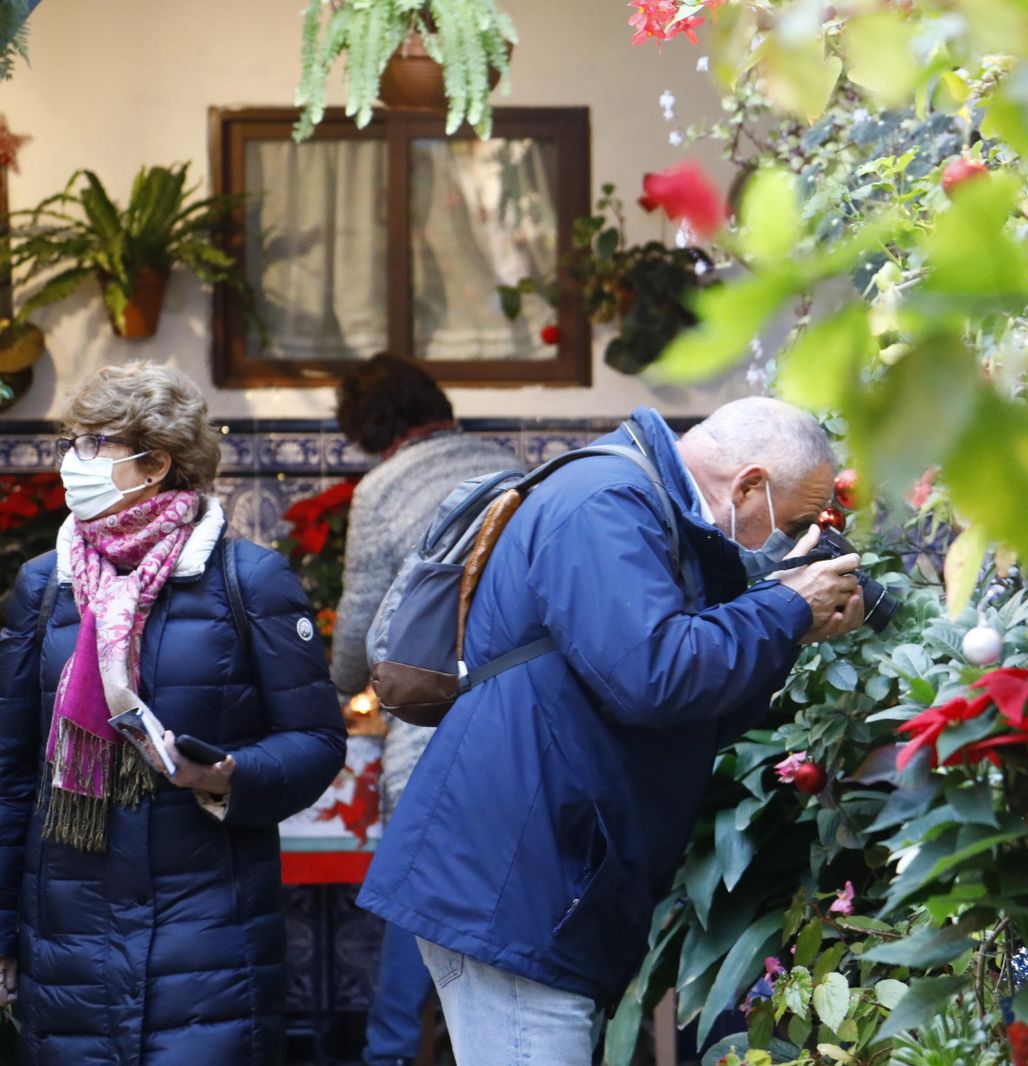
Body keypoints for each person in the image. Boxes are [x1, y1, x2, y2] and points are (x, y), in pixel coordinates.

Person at [358, 398, 864, 1064]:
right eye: (793, 523)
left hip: (552, 869)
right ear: (749, 486)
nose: (789, 545)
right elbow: (651, 675)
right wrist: (784, 606)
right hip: (517, 878)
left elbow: (697, 708)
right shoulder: (604, 500)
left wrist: (790, 625)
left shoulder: (651, 509)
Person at [0, 362, 347, 1064]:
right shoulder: (45, 586)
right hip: (68, 945)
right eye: (73, 441)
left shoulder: (249, 581)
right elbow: (10, 776)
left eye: (94, 443)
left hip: (211, 944)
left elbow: (315, 739)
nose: (72, 460)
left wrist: (227, 775)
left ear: (156, 462)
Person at [330, 354, 521, 1066]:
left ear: (369, 425)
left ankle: (389, 1055)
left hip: (429, 734)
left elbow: (361, 627)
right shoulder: (512, 468)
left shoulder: (380, 490)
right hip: (521, 726)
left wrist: (331, 695)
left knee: (418, 909)